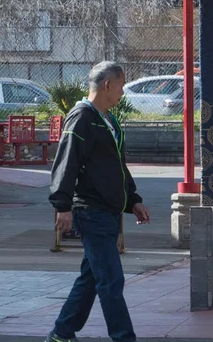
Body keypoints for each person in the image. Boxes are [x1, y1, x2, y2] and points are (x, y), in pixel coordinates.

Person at [46, 61, 151, 342]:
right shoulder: (82, 118)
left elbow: (117, 166)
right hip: (91, 211)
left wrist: (134, 201)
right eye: (121, 86)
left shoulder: (108, 120)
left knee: (92, 278)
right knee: (111, 280)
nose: (122, 93)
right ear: (107, 85)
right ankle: (123, 337)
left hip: (108, 212)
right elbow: (65, 163)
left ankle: (61, 333)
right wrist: (62, 206)